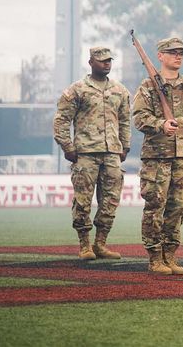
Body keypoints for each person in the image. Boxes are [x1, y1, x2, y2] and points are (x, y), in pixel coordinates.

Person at [132, 37, 183, 275]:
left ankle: (170, 255)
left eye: (181, 53)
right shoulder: (147, 86)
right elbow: (139, 118)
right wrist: (160, 124)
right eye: (172, 52)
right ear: (160, 56)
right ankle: (155, 256)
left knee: (178, 208)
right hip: (157, 158)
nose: (178, 56)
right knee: (155, 206)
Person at [53, 46, 130, 261]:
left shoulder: (120, 91)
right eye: (102, 60)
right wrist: (67, 146)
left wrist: (125, 146)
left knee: (110, 200)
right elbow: (61, 120)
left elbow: (124, 121)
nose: (106, 64)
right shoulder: (77, 90)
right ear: (91, 63)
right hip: (86, 153)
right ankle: (84, 244)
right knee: (83, 201)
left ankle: (101, 243)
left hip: (112, 153)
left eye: (109, 60)